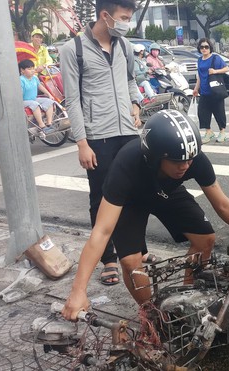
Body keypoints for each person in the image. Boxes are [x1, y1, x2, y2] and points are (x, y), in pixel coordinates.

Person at [61, 109, 229, 320]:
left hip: (166, 191)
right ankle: (152, 316)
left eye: (189, 160)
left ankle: (189, 300)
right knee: (131, 261)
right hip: (131, 202)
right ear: (156, 156)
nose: (185, 166)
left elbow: (221, 203)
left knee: (206, 239)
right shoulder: (126, 164)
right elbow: (102, 231)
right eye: (177, 161)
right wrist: (78, 290)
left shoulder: (191, 158)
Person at [60, 0, 143, 286]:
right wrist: (82, 143)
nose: (126, 23)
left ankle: (135, 252)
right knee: (102, 197)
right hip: (98, 137)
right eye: (123, 17)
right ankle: (108, 258)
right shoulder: (73, 50)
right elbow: (72, 100)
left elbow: (131, 80)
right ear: (105, 15)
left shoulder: (125, 46)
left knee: (133, 195)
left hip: (128, 133)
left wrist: (135, 104)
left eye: (129, 18)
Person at [192, 38, 229, 144]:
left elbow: (227, 68)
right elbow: (199, 75)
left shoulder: (215, 58)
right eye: (202, 47)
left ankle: (222, 132)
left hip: (215, 90)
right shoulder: (199, 60)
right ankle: (208, 132)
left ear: (210, 48)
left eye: (206, 47)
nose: (204, 49)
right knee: (202, 112)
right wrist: (196, 88)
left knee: (219, 111)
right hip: (204, 91)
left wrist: (215, 71)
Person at [19, 59, 56, 134]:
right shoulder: (20, 80)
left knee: (49, 101)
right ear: (22, 70)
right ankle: (42, 126)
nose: (32, 70)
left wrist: (49, 94)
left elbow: (40, 87)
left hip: (33, 99)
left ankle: (49, 124)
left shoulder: (35, 78)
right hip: (23, 101)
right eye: (29, 69)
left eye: (33, 68)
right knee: (34, 104)